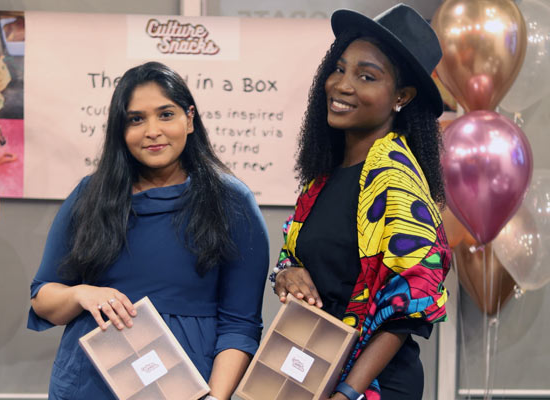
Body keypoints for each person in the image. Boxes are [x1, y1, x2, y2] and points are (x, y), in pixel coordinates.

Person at [28, 61, 269, 400]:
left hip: (188, 387)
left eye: (165, 114)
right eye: (136, 119)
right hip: (90, 383)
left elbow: (240, 325)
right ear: (120, 130)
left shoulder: (232, 201)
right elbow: (42, 298)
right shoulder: (90, 195)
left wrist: (215, 396)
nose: (152, 130)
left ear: (190, 118)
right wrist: (82, 293)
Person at [270, 4, 451, 400]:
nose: (342, 85)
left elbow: (407, 311)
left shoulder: (397, 180)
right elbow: (296, 255)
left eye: (366, 76)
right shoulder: (324, 176)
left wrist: (348, 392)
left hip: (371, 387)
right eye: (339, 68)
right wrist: (287, 272)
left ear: (401, 96)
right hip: (315, 371)